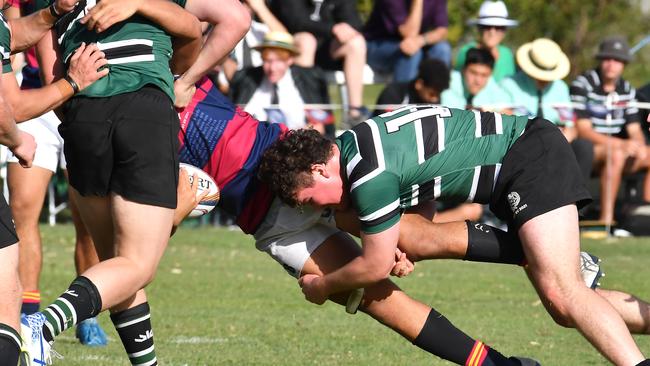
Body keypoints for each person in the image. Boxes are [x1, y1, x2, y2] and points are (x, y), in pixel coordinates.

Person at [258, 106, 650, 365]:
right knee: (564, 309)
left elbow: (375, 266)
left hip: (527, 157)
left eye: (305, 198)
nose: (311, 209)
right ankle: (550, 255)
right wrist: (399, 242)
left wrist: (323, 286)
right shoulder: (350, 144)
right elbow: (427, 173)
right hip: (519, 158)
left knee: (564, 292)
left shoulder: (368, 176)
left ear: (319, 168)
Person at [19, 1, 206, 365]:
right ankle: (40, 326)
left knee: (117, 269)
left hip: (82, 113)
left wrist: (83, 109)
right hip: (143, 108)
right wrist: (175, 79)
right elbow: (196, 29)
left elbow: (50, 73)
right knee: (137, 266)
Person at [0, 0, 107, 362]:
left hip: (87, 98)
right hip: (38, 101)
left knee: (87, 218)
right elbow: (13, 34)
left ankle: (85, 314)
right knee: (21, 210)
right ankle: (28, 312)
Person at [570, 36, 650, 225]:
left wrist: (638, 145)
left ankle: (645, 211)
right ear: (600, 60)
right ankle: (605, 220)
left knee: (643, 152)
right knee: (616, 154)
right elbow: (583, 130)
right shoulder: (583, 84)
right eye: (608, 59)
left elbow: (634, 128)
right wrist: (623, 144)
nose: (611, 64)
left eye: (617, 60)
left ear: (624, 64)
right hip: (589, 151)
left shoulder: (627, 89)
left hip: (617, 149)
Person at [501, 38, 593, 182]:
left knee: (584, 147)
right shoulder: (509, 85)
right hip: (521, 143)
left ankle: (577, 201)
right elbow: (504, 116)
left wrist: (561, 140)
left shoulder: (560, 88)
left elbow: (570, 124)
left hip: (555, 144)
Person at [270, 0, 367, 124]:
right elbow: (296, 21)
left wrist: (345, 29)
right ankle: (309, 114)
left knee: (356, 42)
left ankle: (355, 114)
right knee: (307, 41)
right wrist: (332, 28)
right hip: (294, 48)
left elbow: (354, 23)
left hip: (327, 50)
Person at [230, 31, 333, 134]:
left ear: (290, 59)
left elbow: (320, 126)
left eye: (279, 61)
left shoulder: (309, 80)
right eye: (268, 61)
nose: (272, 68)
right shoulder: (245, 78)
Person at [364, 0, 451, 82]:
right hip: (376, 46)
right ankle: (404, 96)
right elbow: (409, 33)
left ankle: (435, 95)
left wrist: (421, 40)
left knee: (442, 49)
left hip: (413, 43)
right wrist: (418, 1)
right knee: (410, 53)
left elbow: (442, 30)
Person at [455, 0, 517, 82]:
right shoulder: (466, 51)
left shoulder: (506, 54)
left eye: (499, 27)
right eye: (487, 27)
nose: (492, 32)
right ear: (479, 29)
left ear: (504, 31)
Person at [441, 47, 511, 112]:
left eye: (484, 75)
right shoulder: (447, 82)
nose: (478, 81)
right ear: (463, 70)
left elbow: (507, 108)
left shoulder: (490, 82)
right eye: (473, 73)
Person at [373, 58, 449, 116]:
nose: (435, 99)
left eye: (438, 95)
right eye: (432, 94)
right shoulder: (394, 94)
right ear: (419, 84)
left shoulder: (434, 105)